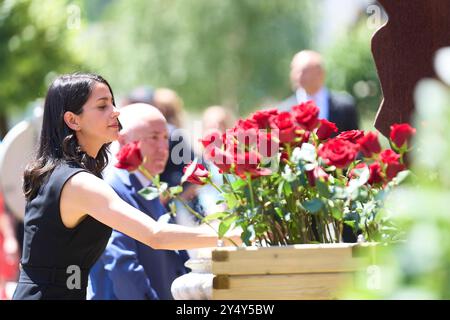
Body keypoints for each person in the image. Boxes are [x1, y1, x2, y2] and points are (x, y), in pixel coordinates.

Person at [12, 73, 239, 300]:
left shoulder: (70, 175)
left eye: (112, 103)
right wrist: (229, 235)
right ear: (73, 120)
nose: (115, 111)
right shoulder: (78, 182)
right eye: (102, 106)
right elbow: (155, 236)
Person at [87, 103, 189, 300]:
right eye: (153, 137)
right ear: (124, 141)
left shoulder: (150, 186)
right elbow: (121, 265)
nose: (163, 148)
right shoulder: (111, 190)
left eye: (166, 138)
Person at [279, 50, 359, 133]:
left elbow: (356, 142)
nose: (297, 76)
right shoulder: (284, 111)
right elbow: (272, 145)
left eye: (303, 71)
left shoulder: (345, 107)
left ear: (320, 73)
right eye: (294, 70)